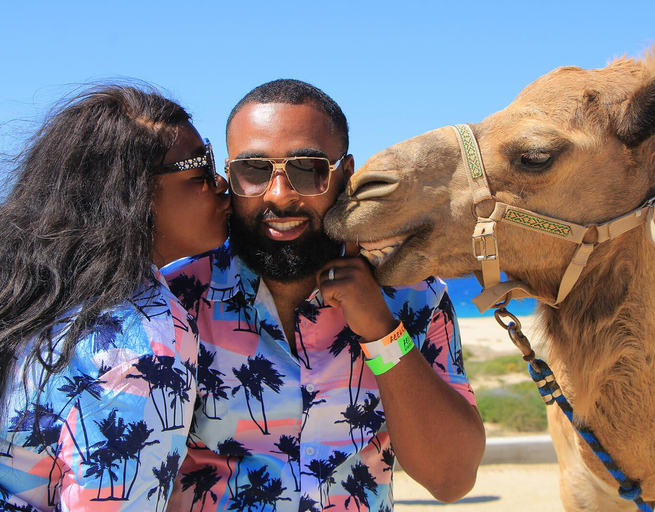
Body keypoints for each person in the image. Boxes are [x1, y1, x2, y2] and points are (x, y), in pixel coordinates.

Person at [164, 79, 485, 512]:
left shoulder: (414, 299)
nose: (278, 195)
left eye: (308, 170)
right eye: (253, 170)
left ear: (345, 174)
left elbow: (451, 479)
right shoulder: (177, 300)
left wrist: (381, 332)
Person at [0, 84, 231, 510]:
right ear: (133, 194)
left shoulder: (26, 293)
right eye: (200, 172)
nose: (221, 184)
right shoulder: (144, 339)